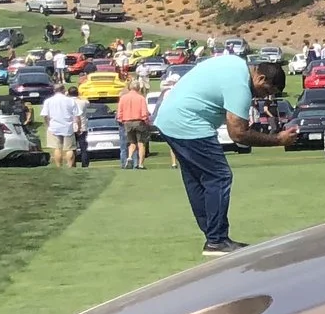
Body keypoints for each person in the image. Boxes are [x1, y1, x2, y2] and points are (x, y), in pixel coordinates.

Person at [153, 52, 288, 255]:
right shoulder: (241, 86)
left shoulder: (235, 63)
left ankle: (213, 237)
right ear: (260, 78)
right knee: (220, 176)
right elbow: (238, 134)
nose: (263, 97)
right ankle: (216, 240)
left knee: (196, 179)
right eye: (267, 91)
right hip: (188, 122)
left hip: (168, 118)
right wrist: (278, 140)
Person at [40, 78, 84, 168]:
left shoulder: (48, 101)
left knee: (57, 148)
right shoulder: (70, 100)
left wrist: (48, 125)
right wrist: (79, 127)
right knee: (70, 148)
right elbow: (77, 116)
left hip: (54, 126)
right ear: (63, 90)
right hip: (68, 126)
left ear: (54, 91)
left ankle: (59, 166)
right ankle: (70, 166)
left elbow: (45, 116)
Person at [115, 79, 152, 169]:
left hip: (127, 122)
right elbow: (144, 112)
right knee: (141, 143)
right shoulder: (141, 98)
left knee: (132, 142)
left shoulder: (123, 98)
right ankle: (140, 164)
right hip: (139, 121)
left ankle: (129, 157)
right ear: (138, 88)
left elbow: (120, 111)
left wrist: (121, 119)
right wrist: (146, 121)